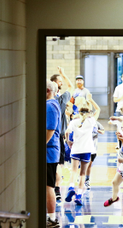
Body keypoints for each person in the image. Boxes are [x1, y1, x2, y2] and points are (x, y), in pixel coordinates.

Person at [64, 94, 100, 206]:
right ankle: (79, 195)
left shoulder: (74, 122)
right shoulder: (91, 121)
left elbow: (67, 132)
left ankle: (70, 187)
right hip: (87, 149)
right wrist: (91, 100)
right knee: (83, 173)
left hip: (75, 149)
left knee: (74, 171)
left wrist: (68, 141)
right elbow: (98, 109)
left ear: (79, 111)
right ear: (89, 112)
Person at [51, 67, 74, 203]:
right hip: (58, 134)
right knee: (59, 163)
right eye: (60, 81)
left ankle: (53, 186)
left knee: (54, 163)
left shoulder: (49, 101)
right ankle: (57, 189)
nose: (62, 83)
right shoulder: (60, 99)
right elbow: (70, 86)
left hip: (54, 133)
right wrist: (64, 74)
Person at [46, 81, 62, 228]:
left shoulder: (50, 106)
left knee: (48, 186)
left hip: (48, 152)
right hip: (51, 151)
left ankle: (52, 219)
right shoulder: (53, 104)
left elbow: (50, 130)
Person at [84, 120, 105, 190]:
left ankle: (86, 179)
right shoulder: (83, 121)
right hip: (85, 147)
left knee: (89, 164)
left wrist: (97, 130)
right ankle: (83, 178)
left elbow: (103, 131)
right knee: (86, 163)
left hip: (94, 147)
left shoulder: (96, 123)